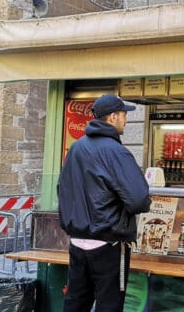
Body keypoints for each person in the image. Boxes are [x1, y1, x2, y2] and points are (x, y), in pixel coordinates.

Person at [58, 95, 152, 312]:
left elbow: (62, 189)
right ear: (113, 117)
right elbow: (139, 200)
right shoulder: (117, 152)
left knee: (75, 302)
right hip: (108, 244)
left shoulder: (76, 149)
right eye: (124, 114)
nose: (126, 120)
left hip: (77, 241)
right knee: (109, 306)